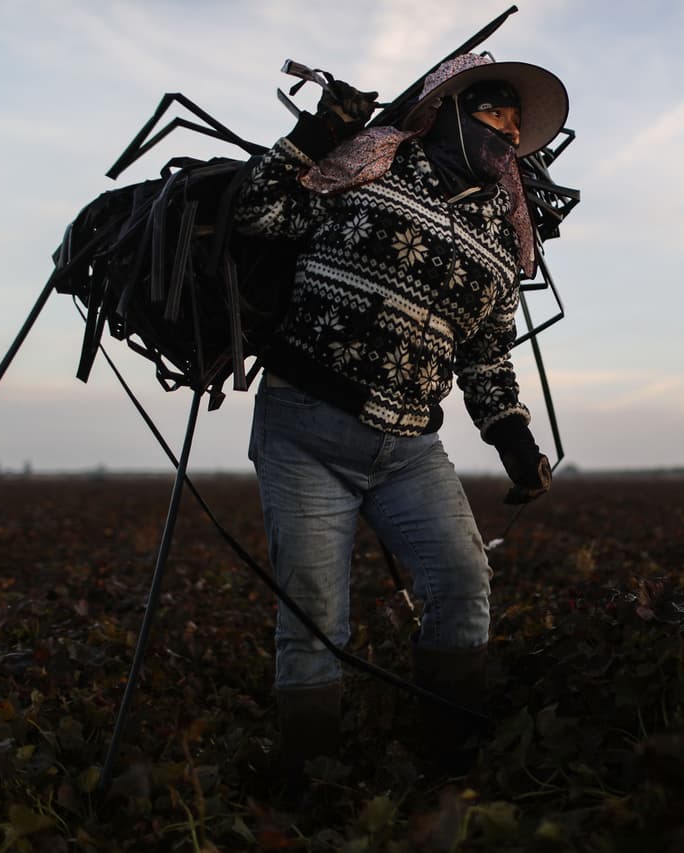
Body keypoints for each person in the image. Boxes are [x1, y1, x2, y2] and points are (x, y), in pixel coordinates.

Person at [233, 52, 570, 784]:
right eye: (491, 110)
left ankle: (448, 761)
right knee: (316, 618)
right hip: (304, 429)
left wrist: (515, 438)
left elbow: (485, 350)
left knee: (462, 580)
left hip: (410, 447)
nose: (507, 129)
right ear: (448, 111)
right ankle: (308, 782)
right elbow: (260, 212)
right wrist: (319, 131)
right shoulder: (372, 163)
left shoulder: (502, 233)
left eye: (515, 121)